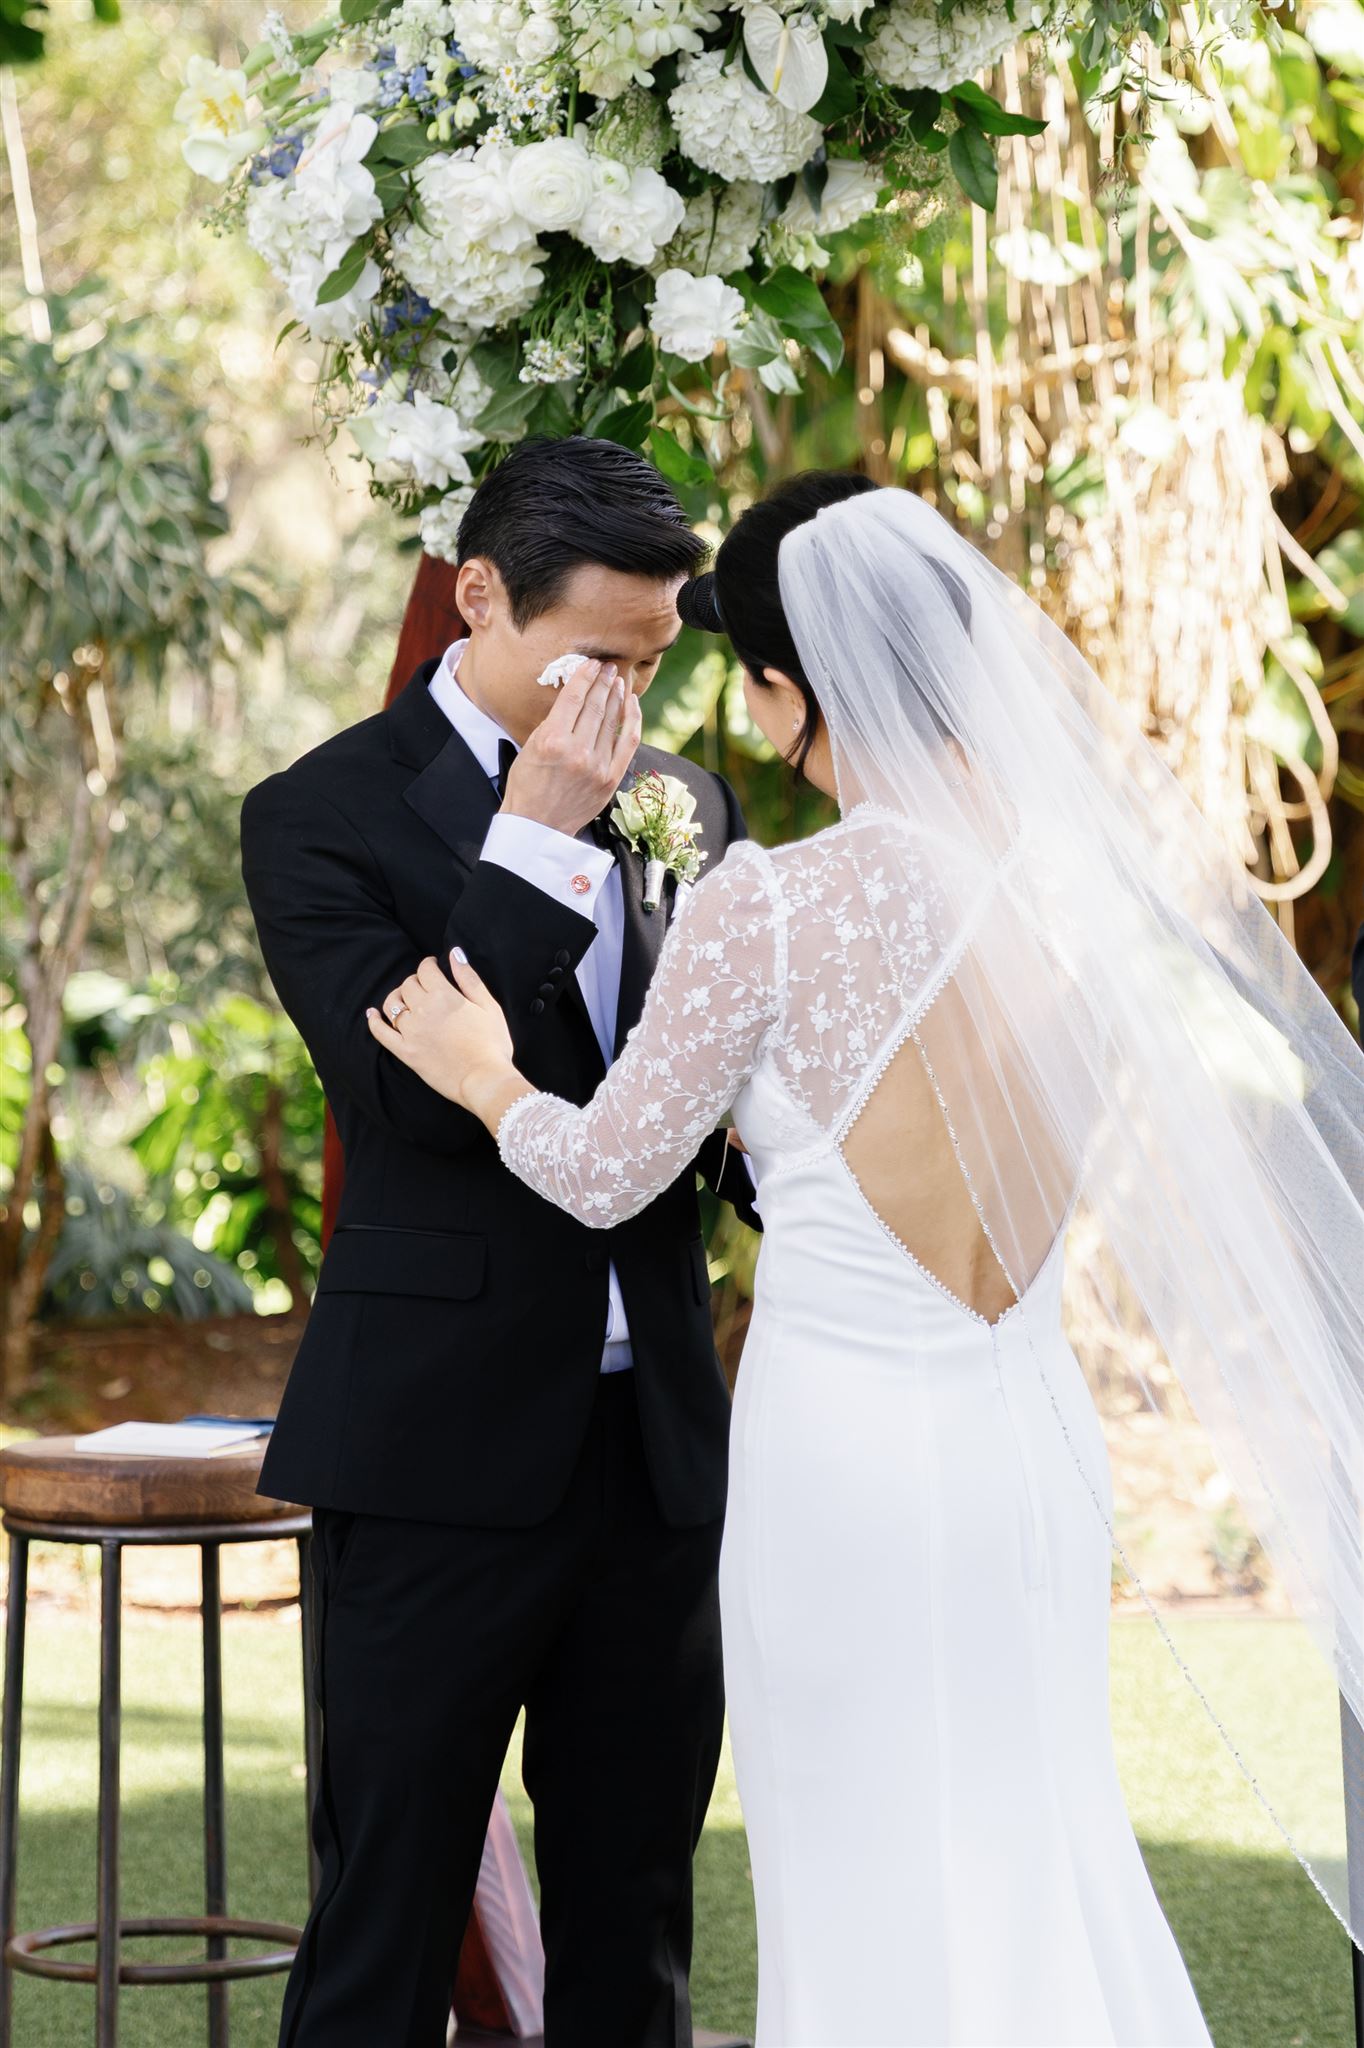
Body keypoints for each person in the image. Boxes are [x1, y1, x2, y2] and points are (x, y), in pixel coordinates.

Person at [370, 475, 1364, 2046]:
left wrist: (488, 1074)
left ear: (785, 692)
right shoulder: (1076, 900)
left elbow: (613, 1168)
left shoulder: (772, 902)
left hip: (844, 1463)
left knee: (863, 1865)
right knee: (1034, 1843)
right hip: (1027, 1449)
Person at [240, 436, 759, 2048]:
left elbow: (713, 1103)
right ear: (480, 598)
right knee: (384, 1920)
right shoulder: (318, 815)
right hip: (432, 1453)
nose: (627, 694)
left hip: (655, 1458)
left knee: (634, 1930)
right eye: (596, 654)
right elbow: (405, 1108)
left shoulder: (689, 806)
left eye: (656, 657)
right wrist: (534, 830)